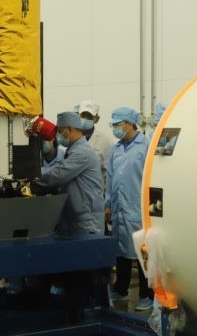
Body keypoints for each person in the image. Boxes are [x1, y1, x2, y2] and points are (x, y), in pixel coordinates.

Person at [105, 107, 154, 311]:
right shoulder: (116, 149)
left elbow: (151, 177)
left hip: (137, 207)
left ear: (130, 123)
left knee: (142, 251)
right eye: (113, 124)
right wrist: (108, 203)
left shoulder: (145, 146)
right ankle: (121, 288)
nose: (115, 128)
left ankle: (147, 294)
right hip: (119, 207)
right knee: (121, 250)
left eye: (118, 124)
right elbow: (110, 177)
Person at [33, 112, 104, 237]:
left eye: (60, 131)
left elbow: (58, 174)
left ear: (70, 129)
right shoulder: (73, 150)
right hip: (75, 218)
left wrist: (33, 182)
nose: (58, 135)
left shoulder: (81, 152)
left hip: (87, 221)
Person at [76, 100, 115, 193]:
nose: (85, 119)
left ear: (97, 119)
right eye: (83, 115)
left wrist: (107, 197)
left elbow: (109, 173)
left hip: (96, 194)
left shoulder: (105, 141)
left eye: (89, 116)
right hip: (75, 193)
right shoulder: (71, 138)